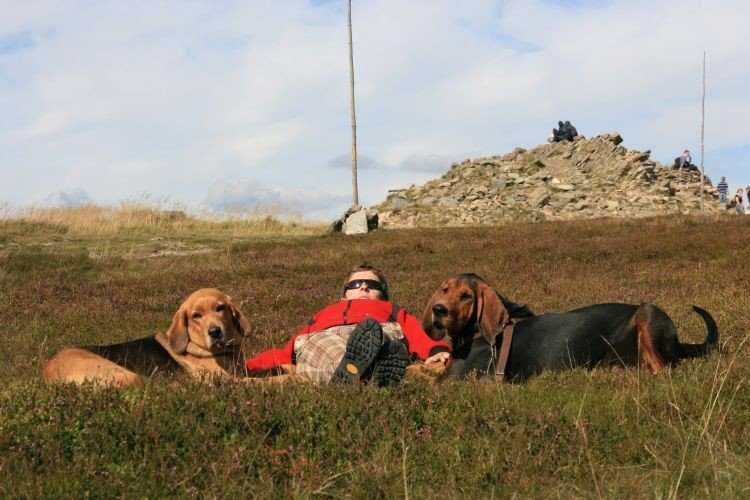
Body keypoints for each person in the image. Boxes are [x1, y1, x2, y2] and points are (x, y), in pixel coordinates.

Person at [245, 264, 450, 386]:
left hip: (378, 332)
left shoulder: (391, 310)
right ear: (344, 296)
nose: (363, 286)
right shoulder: (323, 314)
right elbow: (285, 352)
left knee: (379, 336)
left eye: (373, 285)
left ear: (383, 295)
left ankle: (349, 375)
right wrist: (247, 367)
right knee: (322, 346)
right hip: (326, 337)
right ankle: (369, 372)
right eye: (355, 284)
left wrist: (439, 351)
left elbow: (417, 333)